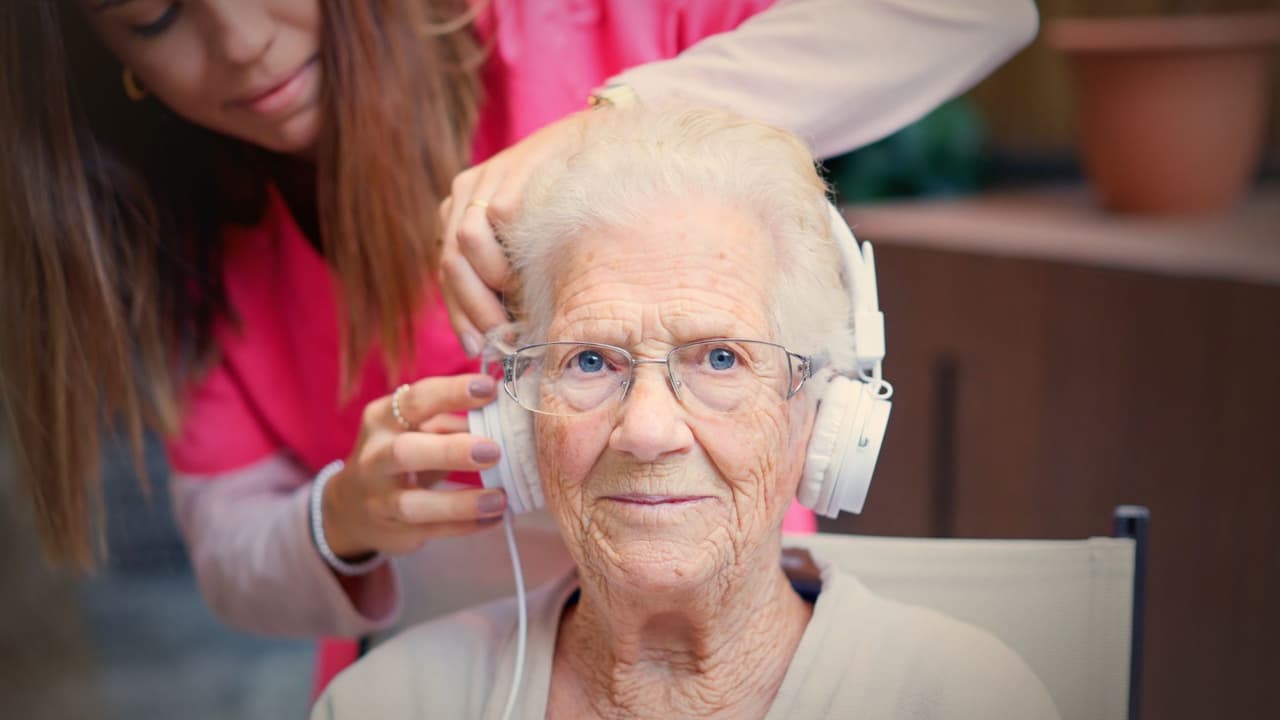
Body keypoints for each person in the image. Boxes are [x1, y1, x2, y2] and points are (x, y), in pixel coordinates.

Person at [0, 0, 1038, 663]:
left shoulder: (568, 21)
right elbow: (231, 554)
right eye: (155, 18)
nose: (239, 42)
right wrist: (343, 516)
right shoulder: (195, 232)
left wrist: (617, 120)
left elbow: (973, 14)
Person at [311, 104, 1060, 720]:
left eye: (722, 358)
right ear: (520, 425)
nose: (646, 431)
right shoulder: (388, 704)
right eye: (591, 360)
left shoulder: (968, 701)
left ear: (822, 413)